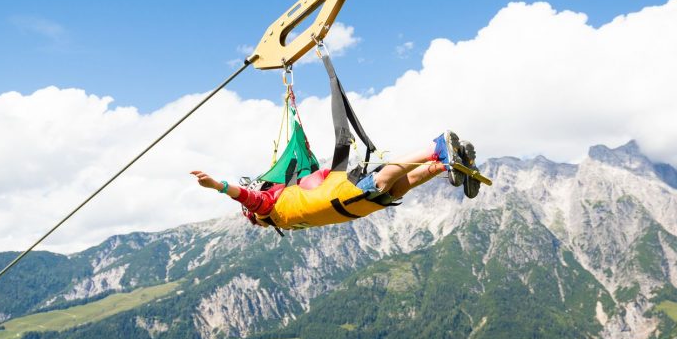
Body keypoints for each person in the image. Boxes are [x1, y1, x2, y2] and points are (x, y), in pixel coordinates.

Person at [191, 131, 479, 230]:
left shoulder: (275, 211)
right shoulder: (272, 210)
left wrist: (219, 186)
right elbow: (252, 198)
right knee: (391, 185)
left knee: (385, 184)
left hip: (345, 203)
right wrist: (221, 187)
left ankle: (438, 150)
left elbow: (250, 197)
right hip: (342, 201)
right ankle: (443, 161)